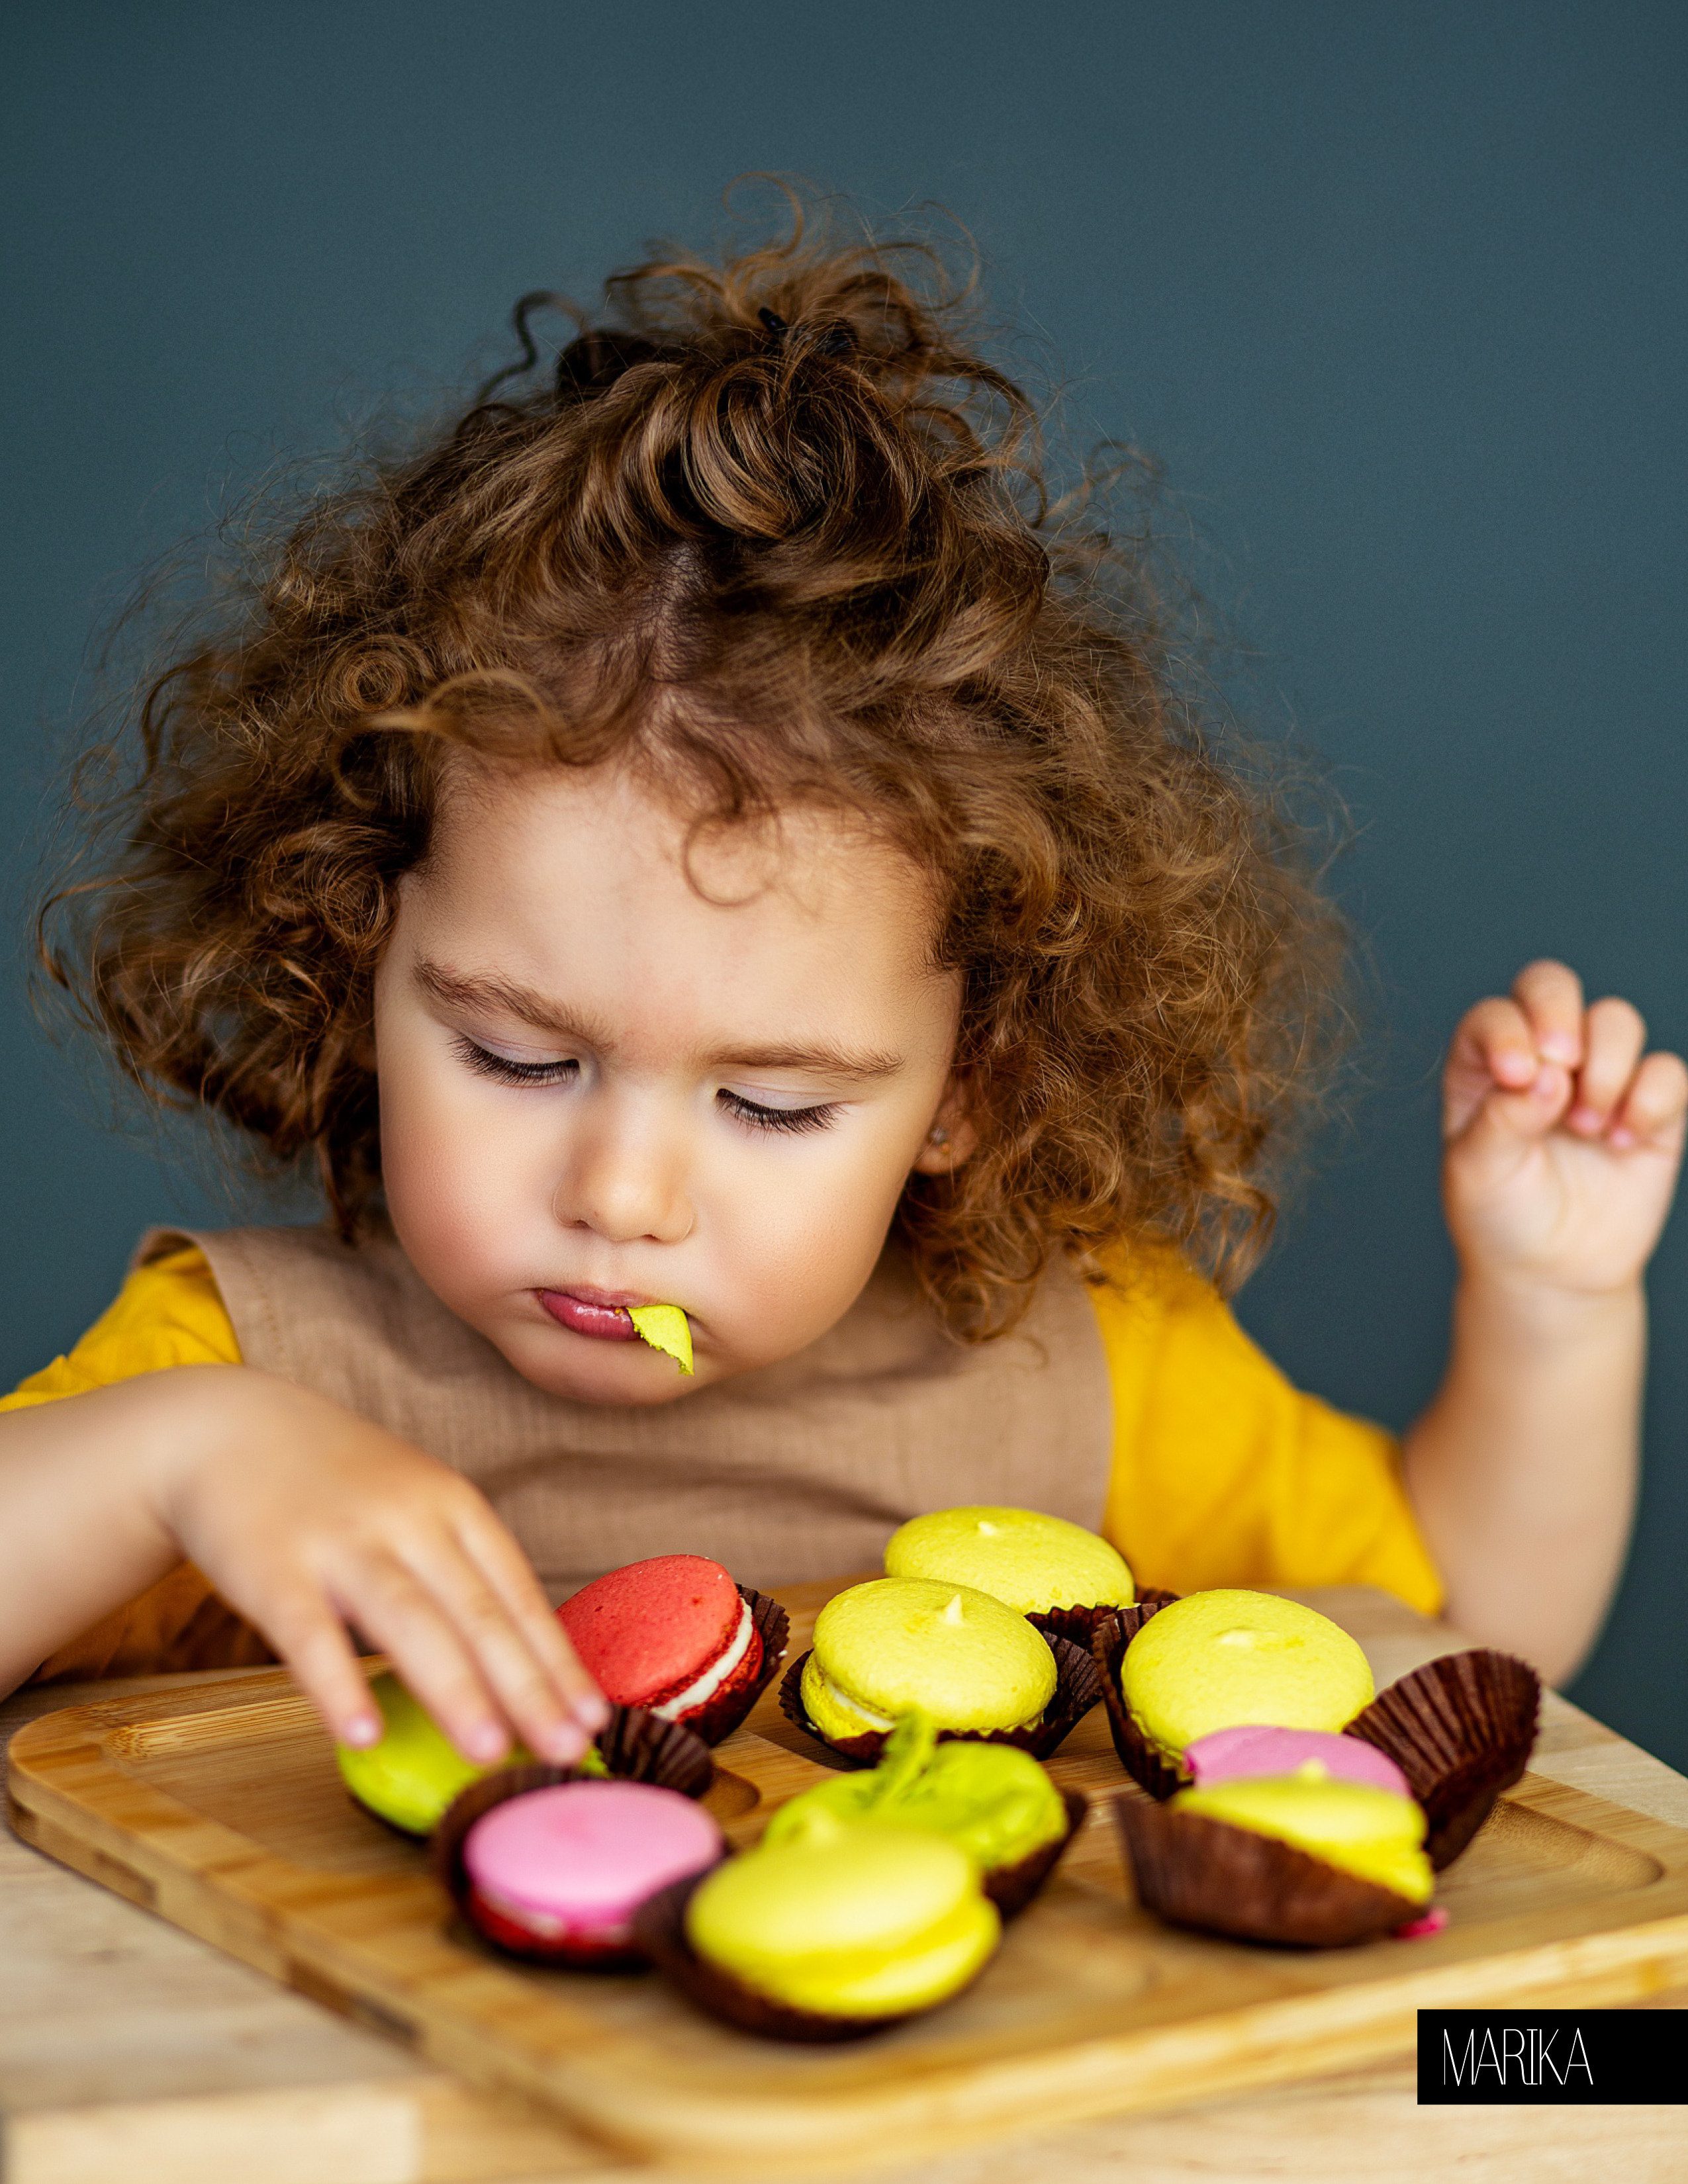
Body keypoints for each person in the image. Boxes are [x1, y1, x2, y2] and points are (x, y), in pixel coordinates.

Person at [2, 210, 1681, 1774]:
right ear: (360, 953)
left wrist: (1555, 1311)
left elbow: (1462, 1635)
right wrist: (174, 1463)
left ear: (971, 1080)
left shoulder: (1092, 1376)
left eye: (771, 1104)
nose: (624, 1198)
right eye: (518, 1056)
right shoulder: (245, 1373)